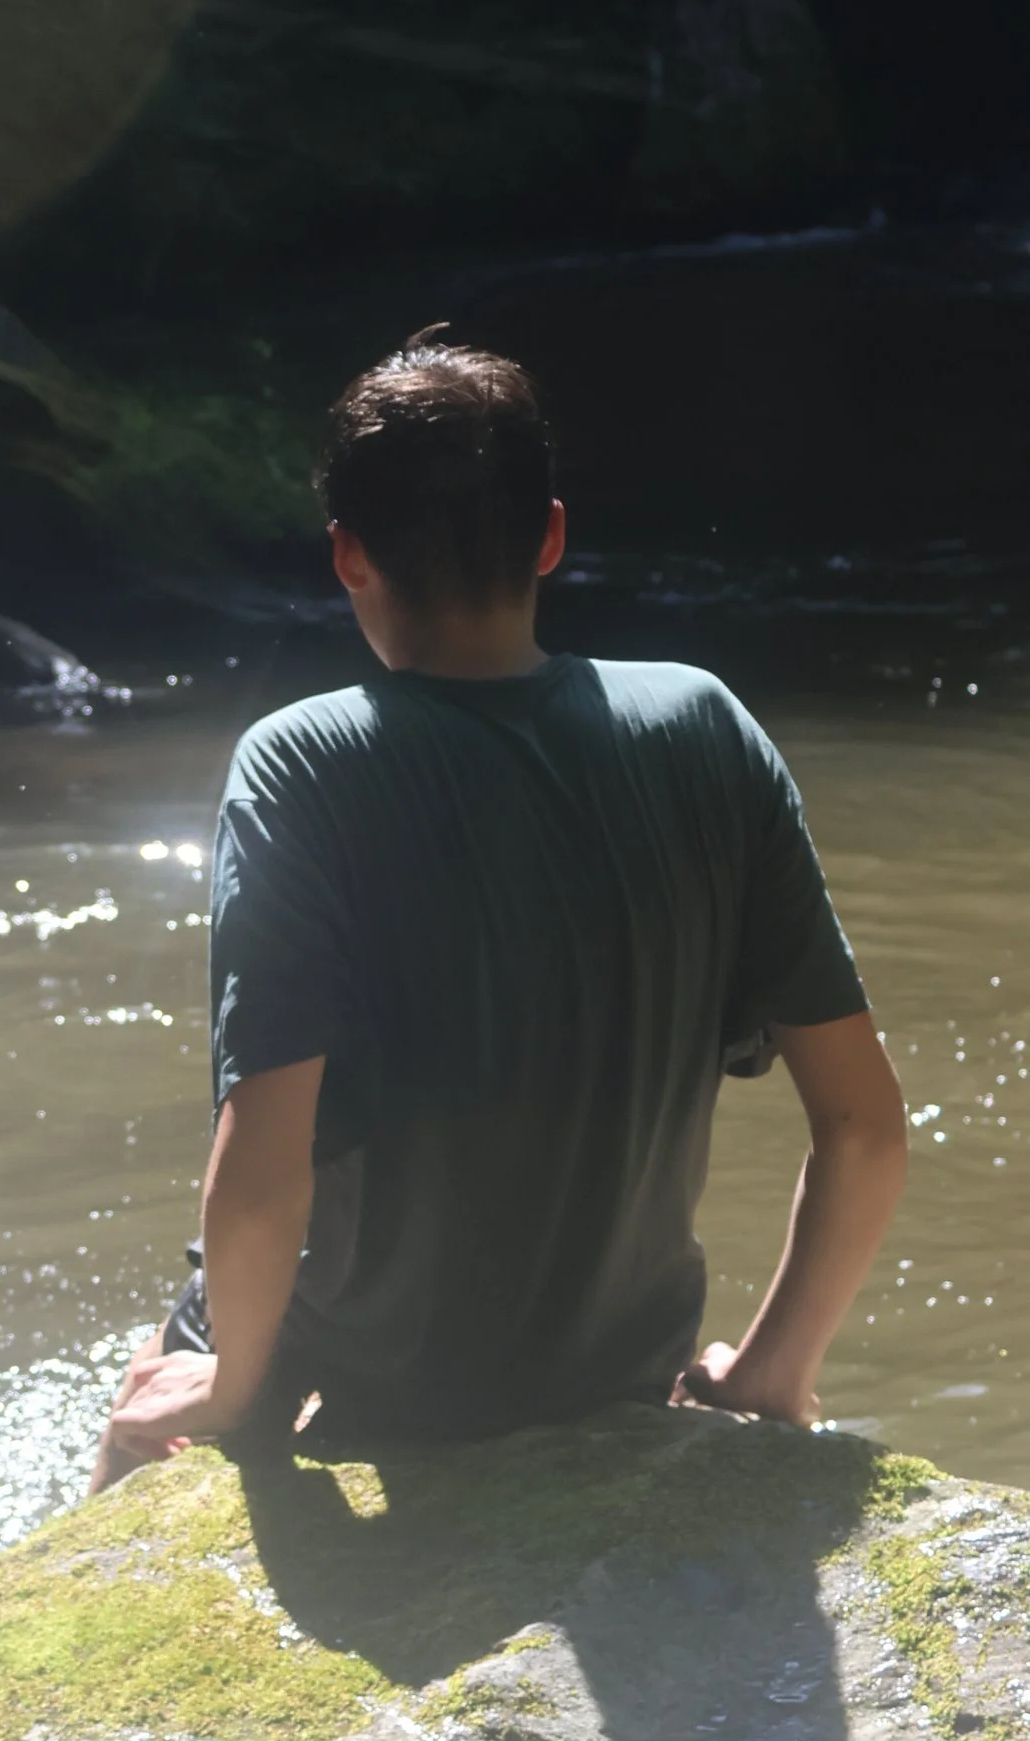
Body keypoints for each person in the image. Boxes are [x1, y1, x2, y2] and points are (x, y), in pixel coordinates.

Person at [93, 336, 907, 1486]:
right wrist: (770, 1374)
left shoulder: (302, 762)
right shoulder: (703, 726)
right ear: (551, 536)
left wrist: (226, 1388)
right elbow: (866, 1129)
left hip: (366, 1382)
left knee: (144, 1399)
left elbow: (263, 1162)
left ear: (347, 557)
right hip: (617, 1375)